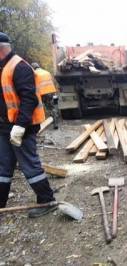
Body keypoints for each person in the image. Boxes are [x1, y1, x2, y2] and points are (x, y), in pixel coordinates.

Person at [0, 32, 56, 217]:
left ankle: (47, 201)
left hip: (20, 127)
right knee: (3, 166)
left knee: (29, 165)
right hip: (4, 127)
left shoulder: (19, 66)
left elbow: (29, 99)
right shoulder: (3, 67)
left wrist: (20, 125)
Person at [31, 62, 59, 129]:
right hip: (51, 91)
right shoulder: (47, 72)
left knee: (42, 108)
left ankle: (43, 123)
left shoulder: (35, 74)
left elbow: (33, 84)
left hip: (42, 93)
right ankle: (55, 122)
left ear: (33, 68)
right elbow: (52, 81)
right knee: (52, 107)